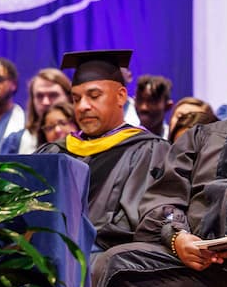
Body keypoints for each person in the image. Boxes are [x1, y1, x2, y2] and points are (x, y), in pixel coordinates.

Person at [91, 36, 227, 287]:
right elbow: (163, 198)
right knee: (115, 267)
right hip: (200, 267)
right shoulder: (205, 135)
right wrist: (178, 238)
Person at [38, 50, 168, 252]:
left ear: (121, 96)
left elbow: (136, 223)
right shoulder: (55, 152)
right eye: (76, 98)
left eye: (94, 96)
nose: (82, 106)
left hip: (106, 261)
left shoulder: (146, 150)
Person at [6, 68, 72, 153]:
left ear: (69, 97)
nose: (46, 102)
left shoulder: (85, 135)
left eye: (53, 95)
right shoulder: (16, 141)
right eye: (40, 96)